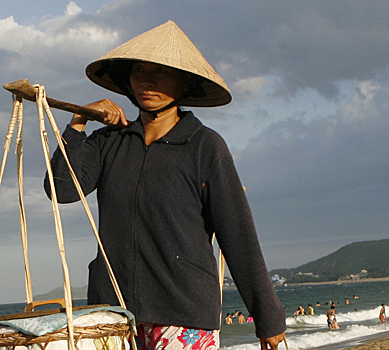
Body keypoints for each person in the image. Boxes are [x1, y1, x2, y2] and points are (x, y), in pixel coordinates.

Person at [43, 20, 286, 350]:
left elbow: (237, 234)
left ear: (184, 83)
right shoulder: (109, 143)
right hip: (113, 315)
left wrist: (268, 318)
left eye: (161, 71)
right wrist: (77, 123)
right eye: (139, 70)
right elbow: (61, 190)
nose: (147, 80)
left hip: (182, 313)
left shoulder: (204, 146)